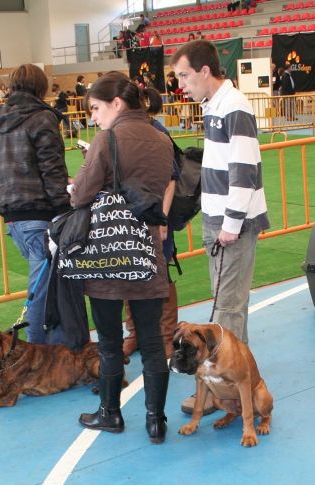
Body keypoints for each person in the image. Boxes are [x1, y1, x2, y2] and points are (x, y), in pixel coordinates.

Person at [72, 71, 173, 444]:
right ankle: (155, 421)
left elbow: (80, 194)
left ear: (116, 103)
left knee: (111, 340)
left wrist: (86, 173)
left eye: (96, 108)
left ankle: (110, 413)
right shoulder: (161, 138)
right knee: (150, 341)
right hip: (146, 250)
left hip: (107, 253)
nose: (94, 117)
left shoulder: (106, 138)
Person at [171, 40, 270, 415]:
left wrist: (230, 224)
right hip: (218, 221)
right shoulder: (215, 107)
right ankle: (230, 383)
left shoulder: (234, 108)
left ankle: (222, 390)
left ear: (204, 71)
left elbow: (244, 171)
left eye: (184, 76)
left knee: (226, 311)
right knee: (226, 309)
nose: (180, 84)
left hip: (233, 226)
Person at [0, 64, 70, 345]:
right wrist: (64, 209)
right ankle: (37, 350)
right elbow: (52, 169)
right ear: (42, 87)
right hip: (39, 213)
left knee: (50, 283)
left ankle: (58, 346)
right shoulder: (41, 118)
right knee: (43, 289)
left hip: (12, 214)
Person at [123, 86, 180, 360]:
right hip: (127, 217)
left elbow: (171, 180)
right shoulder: (116, 132)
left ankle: (166, 335)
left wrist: (163, 219)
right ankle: (134, 333)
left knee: (161, 273)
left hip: (154, 214)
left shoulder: (158, 131)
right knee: (129, 273)